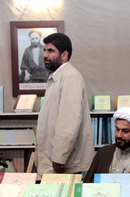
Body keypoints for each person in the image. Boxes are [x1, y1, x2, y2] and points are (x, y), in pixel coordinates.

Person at [35, 32, 94, 175]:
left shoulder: (70, 77)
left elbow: (69, 122)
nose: (45, 55)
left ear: (64, 55)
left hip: (60, 164)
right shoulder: (56, 78)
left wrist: (59, 158)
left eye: (51, 51)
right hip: (52, 161)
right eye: (45, 50)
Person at [83, 107, 130, 185]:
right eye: (117, 129)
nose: (119, 135)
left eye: (125, 131)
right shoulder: (103, 153)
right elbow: (88, 184)